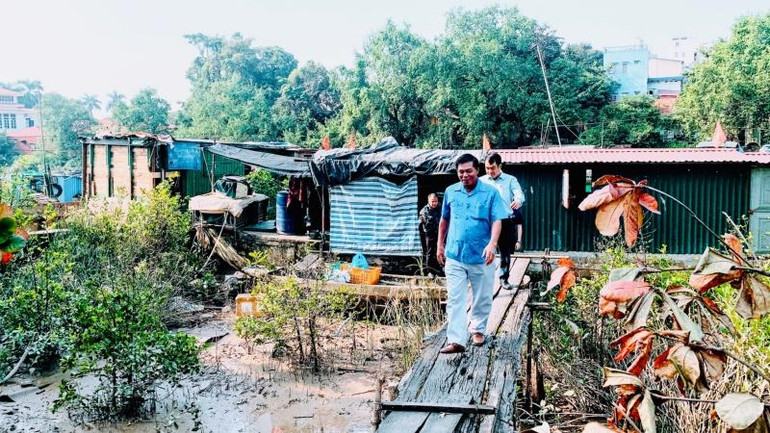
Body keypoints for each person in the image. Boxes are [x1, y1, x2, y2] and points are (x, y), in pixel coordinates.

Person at [437, 154, 509, 354]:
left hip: (481, 255)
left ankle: (477, 329)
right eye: (461, 171)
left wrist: (492, 244)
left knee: (482, 296)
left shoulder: (490, 193)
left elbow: (497, 220)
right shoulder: (451, 192)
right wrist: (439, 246)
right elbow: (444, 220)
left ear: (477, 170)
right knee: (455, 298)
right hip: (455, 255)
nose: (465, 175)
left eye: (469, 171)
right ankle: (456, 340)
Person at [481, 152, 525, 290]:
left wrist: (517, 200)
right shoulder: (481, 181)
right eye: (487, 168)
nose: (490, 171)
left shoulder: (510, 180)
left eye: (492, 168)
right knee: (484, 250)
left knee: (505, 251)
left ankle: (503, 279)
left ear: (500, 166)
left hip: (505, 220)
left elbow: (519, 193)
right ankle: (483, 279)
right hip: (487, 221)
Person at [419, 193, 442, 276]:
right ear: (428, 201)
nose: (434, 203)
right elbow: (423, 225)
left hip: (441, 234)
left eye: (436, 201)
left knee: (441, 251)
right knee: (429, 252)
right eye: (432, 201)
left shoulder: (441, 208)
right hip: (430, 234)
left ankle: (441, 269)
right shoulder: (424, 211)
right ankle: (429, 271)